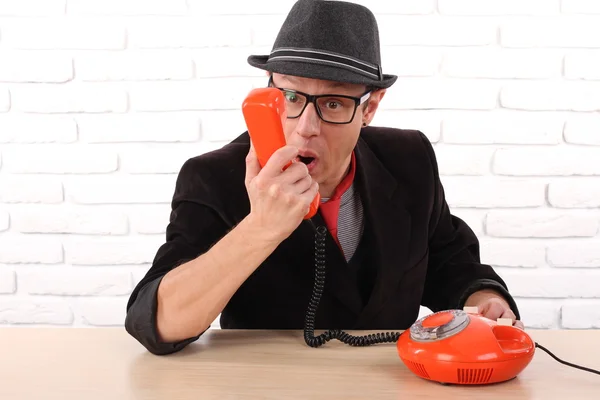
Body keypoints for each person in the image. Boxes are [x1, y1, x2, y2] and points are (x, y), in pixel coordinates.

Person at [125, 0, 523, 355]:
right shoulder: (213, 177)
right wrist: (261, 228)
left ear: (370, 108)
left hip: (392, 382)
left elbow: (448, 258)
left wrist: (482, 294)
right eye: (292, 97)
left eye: (333, 102)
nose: (305, 128)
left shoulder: (409, 159)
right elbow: (156, 323)